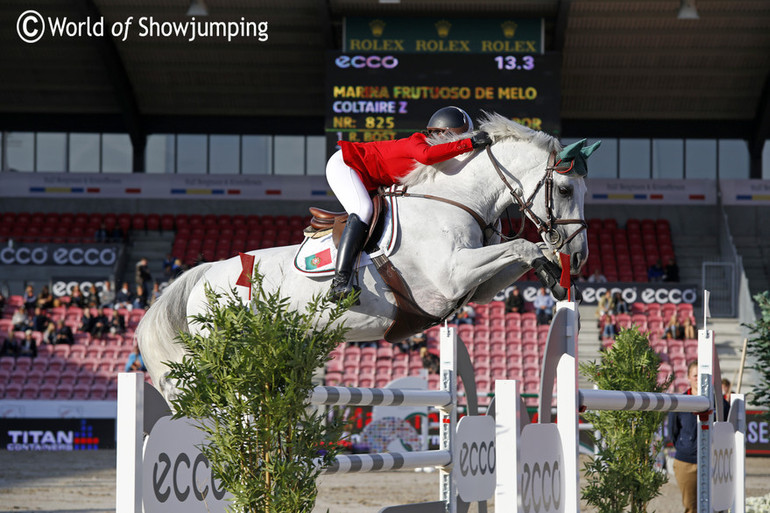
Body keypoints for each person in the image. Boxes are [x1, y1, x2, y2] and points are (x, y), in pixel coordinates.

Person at [325, 106, 491, 300]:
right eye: (458, 139)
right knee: (363, 209)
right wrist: (470, 143)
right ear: (444, 132)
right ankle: (339, 282)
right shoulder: (417, 142)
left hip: (367, 178)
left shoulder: (436, 155)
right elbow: (426, 156)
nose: (458, 146)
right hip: (345, 165)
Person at [669, 362, 729, 513]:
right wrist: (687, 448)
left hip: (714, 461)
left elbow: (727, 424)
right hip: (686, 463)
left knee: (717, 506)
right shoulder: (679, 403)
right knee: (692, 507)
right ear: (688, 377)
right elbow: (673, 432)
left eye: (701, 376)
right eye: (695, 375)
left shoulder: (720, 403)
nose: (698, 379)